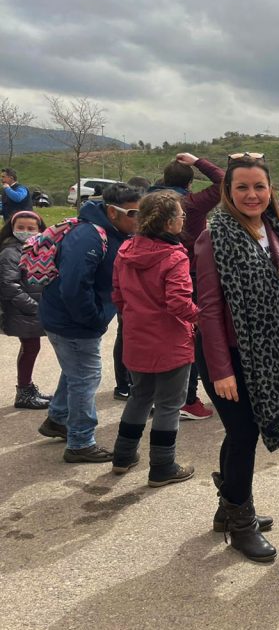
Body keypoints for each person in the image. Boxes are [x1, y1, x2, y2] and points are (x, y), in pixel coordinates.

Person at [195, 153, 279, 563]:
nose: (252, 194)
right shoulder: (214, 237)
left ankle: (229, 508)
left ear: (271, 190)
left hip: (263, 353)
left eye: (259, 186)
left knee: (241, 433)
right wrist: (221, 370)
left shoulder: (276, 231)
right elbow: (209, 309)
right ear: (228, 190)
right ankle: (241, 524)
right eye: (242, 187)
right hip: (228, 355)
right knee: (243, 434)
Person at [38, 183, 140, 462]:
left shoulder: (112, 231)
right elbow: (73, 287)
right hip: (73, 322)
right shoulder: (89, 237)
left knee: (74, 371)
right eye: (133, 213)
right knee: (86, 376)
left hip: (70, 318)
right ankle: (81, 442)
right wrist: (92, 320)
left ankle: (58, 418)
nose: (139, 220)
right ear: (113, 212)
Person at [110, 190, 198, 487]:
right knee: (169, 404)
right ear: (170, 223)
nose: (183, 220)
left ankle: (122, 456)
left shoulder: (125, 250)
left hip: (136, 337)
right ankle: (162, 465)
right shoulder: (174, 257)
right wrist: (201, 317)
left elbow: (118, 295)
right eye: (181, 216)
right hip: (170, 341)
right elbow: (179, 303)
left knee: (140, 396)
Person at [145, 152, 225, 420]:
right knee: (190, 335)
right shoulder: (191, 203)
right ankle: (186, 400)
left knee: (161, 332)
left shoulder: (149, 200)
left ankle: (157, 395)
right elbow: (224, 181)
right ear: (189, 183)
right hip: (187, 271)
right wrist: (198, 161)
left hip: (151, 271)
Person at [0, 210, 51, 409]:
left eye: (31, 228)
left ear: (40, 229)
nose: (26, 231)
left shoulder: (38, 248)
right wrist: (34, 307)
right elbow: (8, 286)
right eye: (20, 227)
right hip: (23, 310)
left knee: (31, 347)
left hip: (31, 309)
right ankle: (24, 393)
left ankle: (27, 388)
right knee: (30, 348)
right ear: (12, 228)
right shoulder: (11, 252)